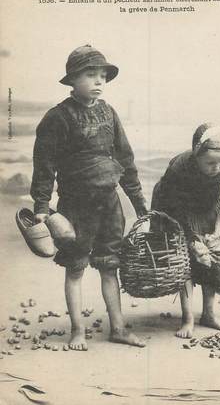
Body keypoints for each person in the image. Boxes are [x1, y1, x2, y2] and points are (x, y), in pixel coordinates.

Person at [30, 44, 147, 349]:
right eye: (91, 75)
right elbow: (45, 165)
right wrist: (42, 206)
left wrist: (140, 206)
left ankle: (118, 327)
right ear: (72, 80)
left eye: (103, 76)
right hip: (76, 207)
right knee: (76, 267)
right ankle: (77, 330)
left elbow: (126, 160)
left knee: (110, 266)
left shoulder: (109, 112)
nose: (99, 82)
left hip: (110, 203)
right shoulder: (58, 117)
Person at [151, 123, 220, 338]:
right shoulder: (179, 168)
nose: (218, 167)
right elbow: (173, 209)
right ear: (196, 155)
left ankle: (209, 314)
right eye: (210, 162)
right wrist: (193, 240)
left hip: (208, 206)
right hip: (174, 211)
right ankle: (187, 318)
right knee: (185, 259)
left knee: (213, 256)